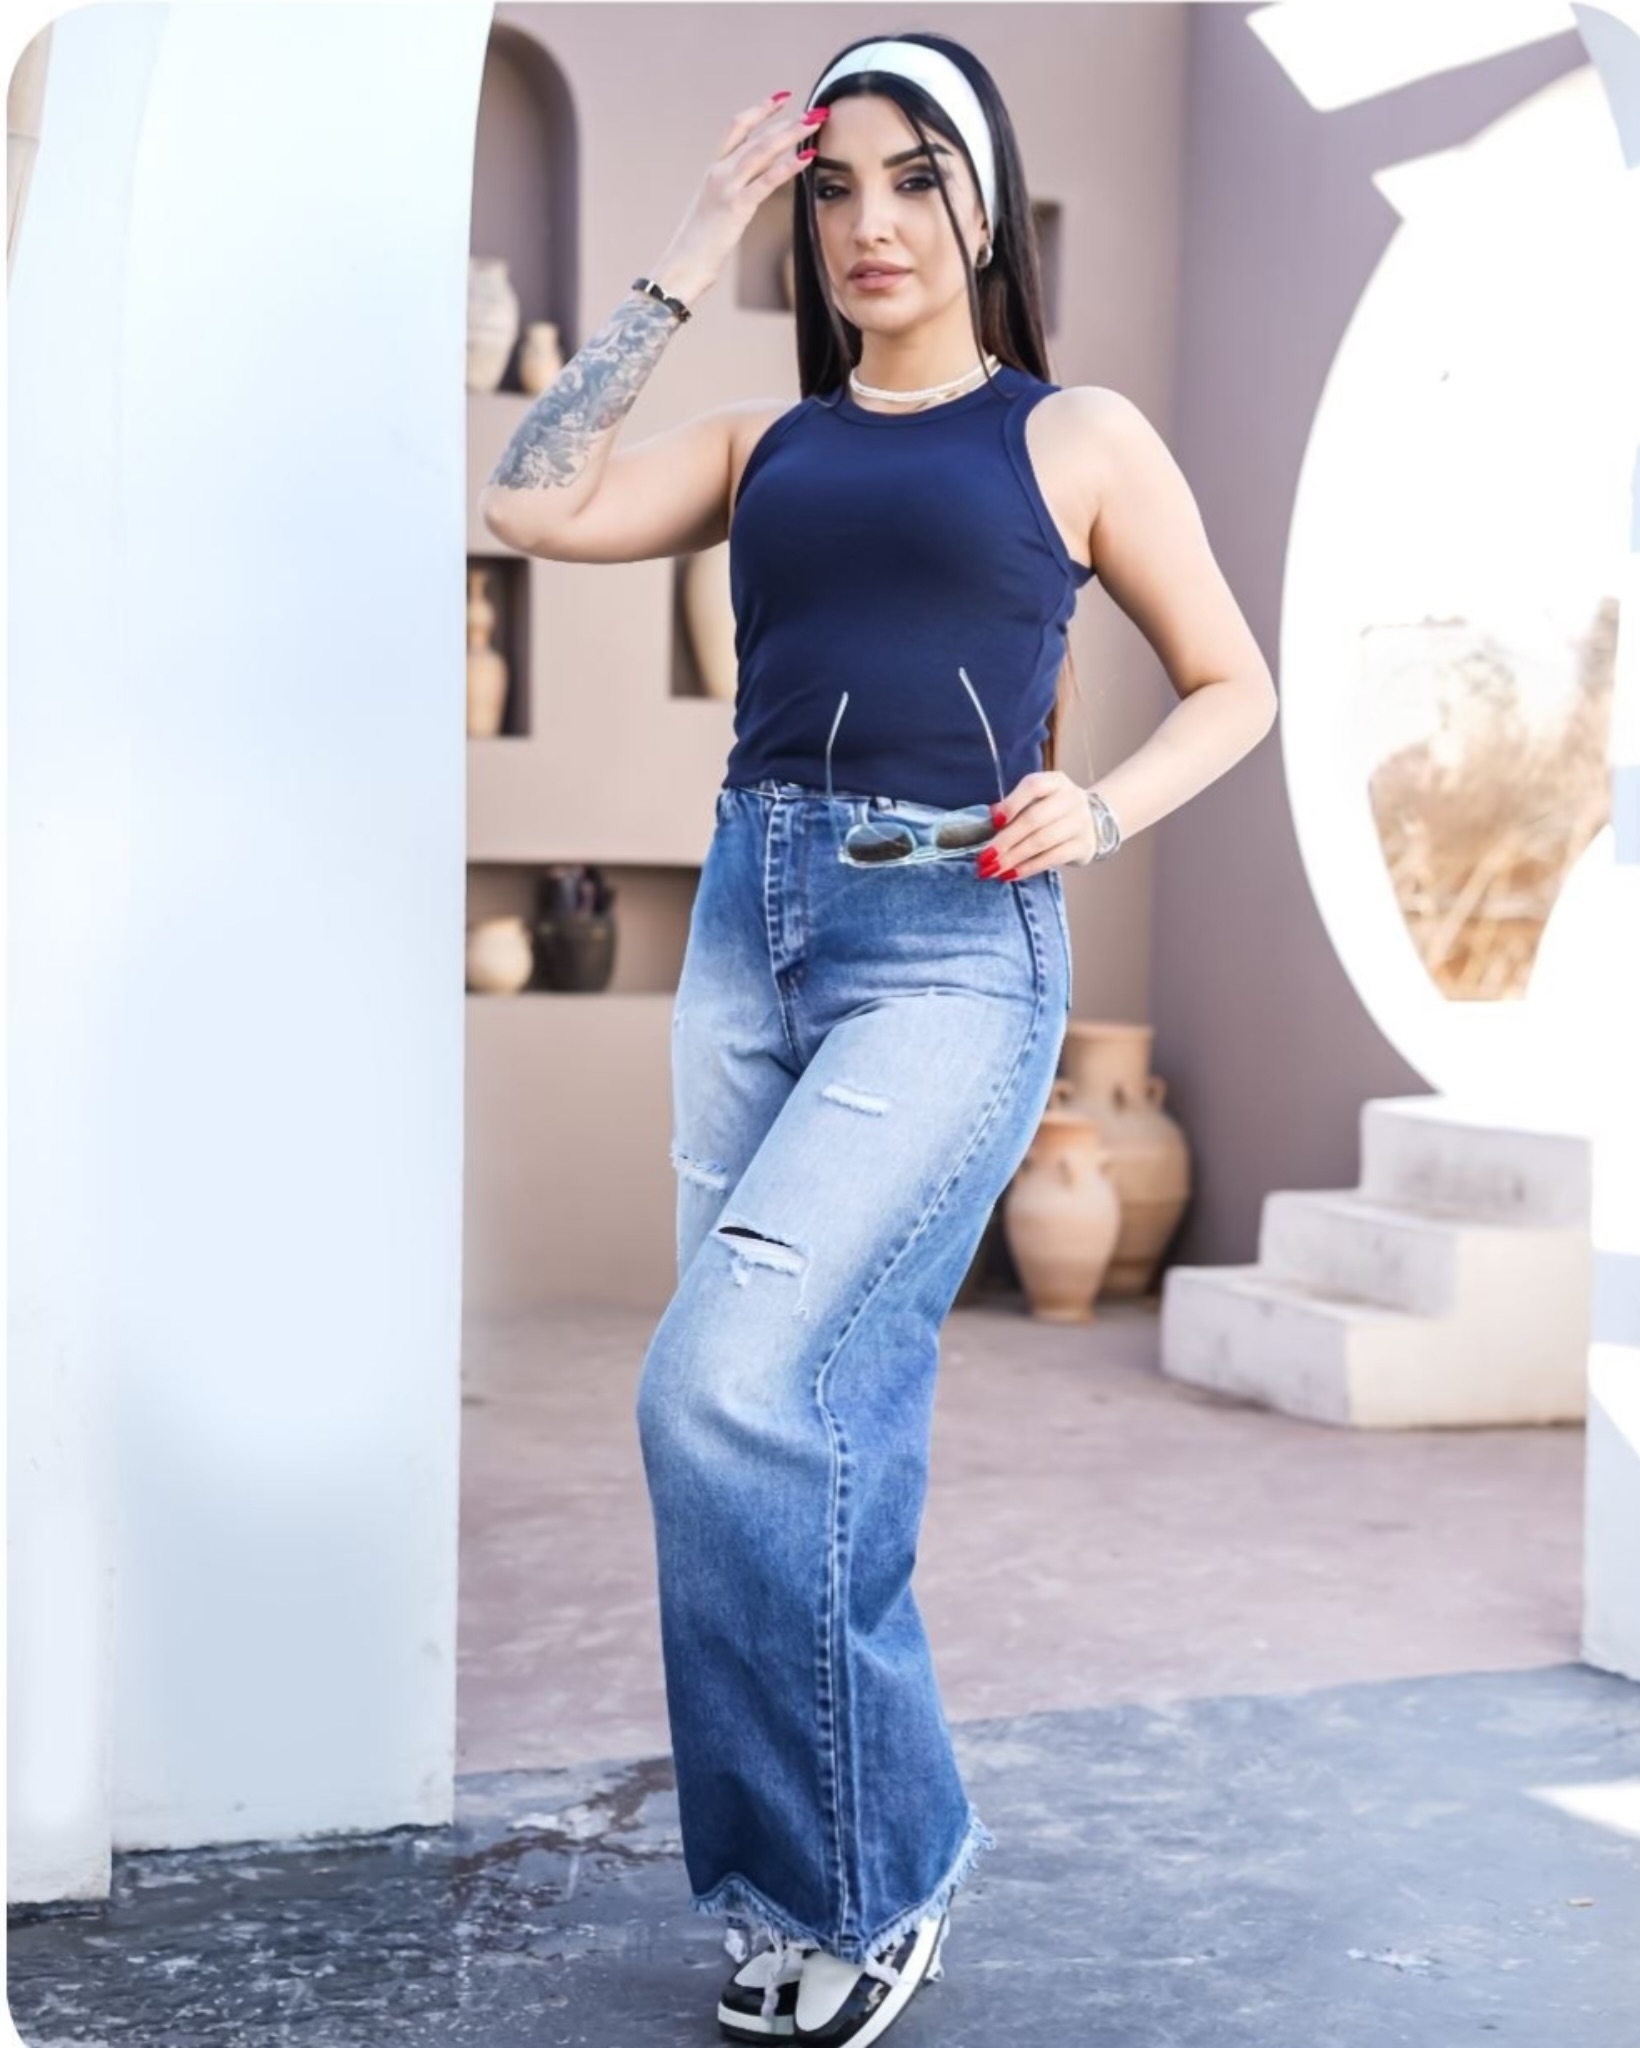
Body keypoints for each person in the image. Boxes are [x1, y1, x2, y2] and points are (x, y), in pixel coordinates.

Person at [480, 30, 1276, 2046]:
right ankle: (796, 1886)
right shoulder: (767, 445)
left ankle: (883, 1869)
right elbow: (528, 499)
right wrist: (688, 246)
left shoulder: (1073, 434)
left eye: (914, 177)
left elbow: (1231, 683)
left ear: (983, 204)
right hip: (749, 943)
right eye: (831, 187)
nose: (870, 222)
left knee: (718, 1383)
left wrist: (1104, 807)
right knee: (789, 1430)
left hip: (949, 951)